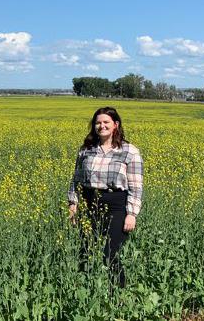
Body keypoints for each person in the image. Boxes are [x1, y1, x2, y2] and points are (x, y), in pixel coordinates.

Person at [67, 106, 143, 289]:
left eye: (106, 122)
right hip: (88, 202)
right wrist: (73, 204)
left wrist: (132, 214)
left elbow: (136, 186)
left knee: (110, 252)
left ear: (115, 124)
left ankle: (117, 294)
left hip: (116, 205)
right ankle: (85, 291)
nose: (102, 126)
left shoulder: (129, 151)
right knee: (85, 250)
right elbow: (76, 179)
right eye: (98, 123)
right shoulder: (86, 150)